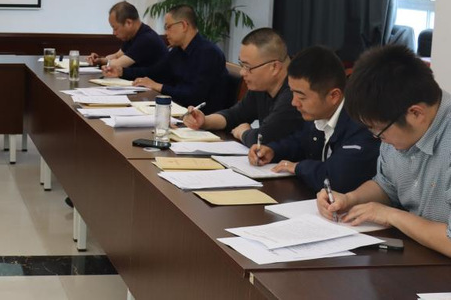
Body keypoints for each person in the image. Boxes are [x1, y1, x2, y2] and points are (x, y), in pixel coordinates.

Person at [317, 45, 451, 257]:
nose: (378, 139)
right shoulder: (396, 126)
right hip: (416, 256)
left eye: (379, 131)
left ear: (415, 113)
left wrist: (391, 215)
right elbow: (387, 184)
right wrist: (350, 199)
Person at [247, 46, 378, 192]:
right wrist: (273, 151)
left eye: (301, 97)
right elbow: (300, 142)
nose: (294, 102)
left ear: (333, 96)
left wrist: (298, 167)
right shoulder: (319, 114)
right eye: (292, 93)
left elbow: (337, 178)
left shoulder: (362, 123)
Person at [183, 28, 302, 145]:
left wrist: (243, 133)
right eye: (242, 65)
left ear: (274, 67)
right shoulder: (262, 85)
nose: (242, 72)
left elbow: (264, 137)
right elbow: (236, 114)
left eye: (248, 67)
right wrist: (204, 121)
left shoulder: (296, 93)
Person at [121, 5, 229, 109]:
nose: (166, 33)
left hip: (201, 116)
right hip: (177, 107)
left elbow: (194, 96)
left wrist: (158, 86)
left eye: (168, 27)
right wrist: (122, 72)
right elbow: (155, 72)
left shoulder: (209, 53)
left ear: (184, 25)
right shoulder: (177, 51)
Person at [86, 1, 167, 76]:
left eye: (115, 28)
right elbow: (116, 56)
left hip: (156, 85)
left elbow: (116, 65)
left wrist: (105, 62)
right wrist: (99, 60)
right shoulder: (132, 35)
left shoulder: (146, 39)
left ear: (128, 23)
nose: (114, 33)